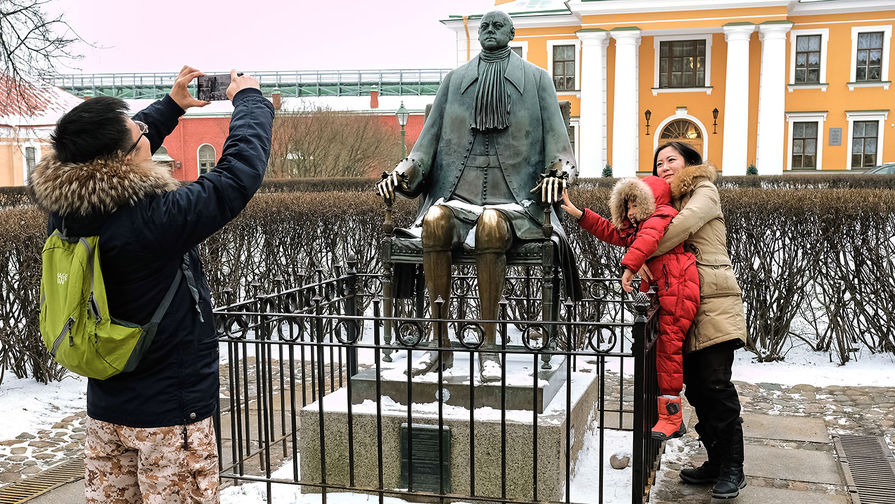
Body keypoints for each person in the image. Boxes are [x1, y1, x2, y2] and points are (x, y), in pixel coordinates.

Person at [28, 66, 274, 503]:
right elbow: (236, 178)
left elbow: (115, 155)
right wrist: (251, 102)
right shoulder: (154, 219)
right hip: (170, 412)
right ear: (122, 159)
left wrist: (172, 106)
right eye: (139, 133)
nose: (145, 132)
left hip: (108, 410)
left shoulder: (66, 209)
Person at [376, 10, 580, 381]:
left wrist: (558, 175)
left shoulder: (536, 81)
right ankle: (439, 346)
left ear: (512, 33)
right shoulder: (454, 82)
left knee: (490, 225)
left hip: (518, 202)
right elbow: (423, 150)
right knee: (435, 221)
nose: (489, 30)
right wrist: (402, 173)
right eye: (484, 25)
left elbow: (562, 152)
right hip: (458, 198)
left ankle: (489, 346)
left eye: (497, 25)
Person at [561, 176, 699, 441]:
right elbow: (613, 232)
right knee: (659, 354)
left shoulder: (661, 215)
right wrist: (580, 215)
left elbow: (647, 239)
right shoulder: (639, 225)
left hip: (677, 288)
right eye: (627, 207)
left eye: (635, 205)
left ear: (650, 201)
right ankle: (662, 413)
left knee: (669, 353)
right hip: (667, 288)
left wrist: (630, 267)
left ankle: (672, 416)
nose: (631, 213)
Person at [649, 141, 748, 499]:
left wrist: (639, 249)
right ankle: (716, 462)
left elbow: (678, 229)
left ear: (690, 162)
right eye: (658, 163)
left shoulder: (704, 191)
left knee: (716, 386)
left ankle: (734, 469)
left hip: (714, 301)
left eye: (671, 160)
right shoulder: (666, 202)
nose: (664, 167)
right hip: (681, 303)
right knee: (695, 389)